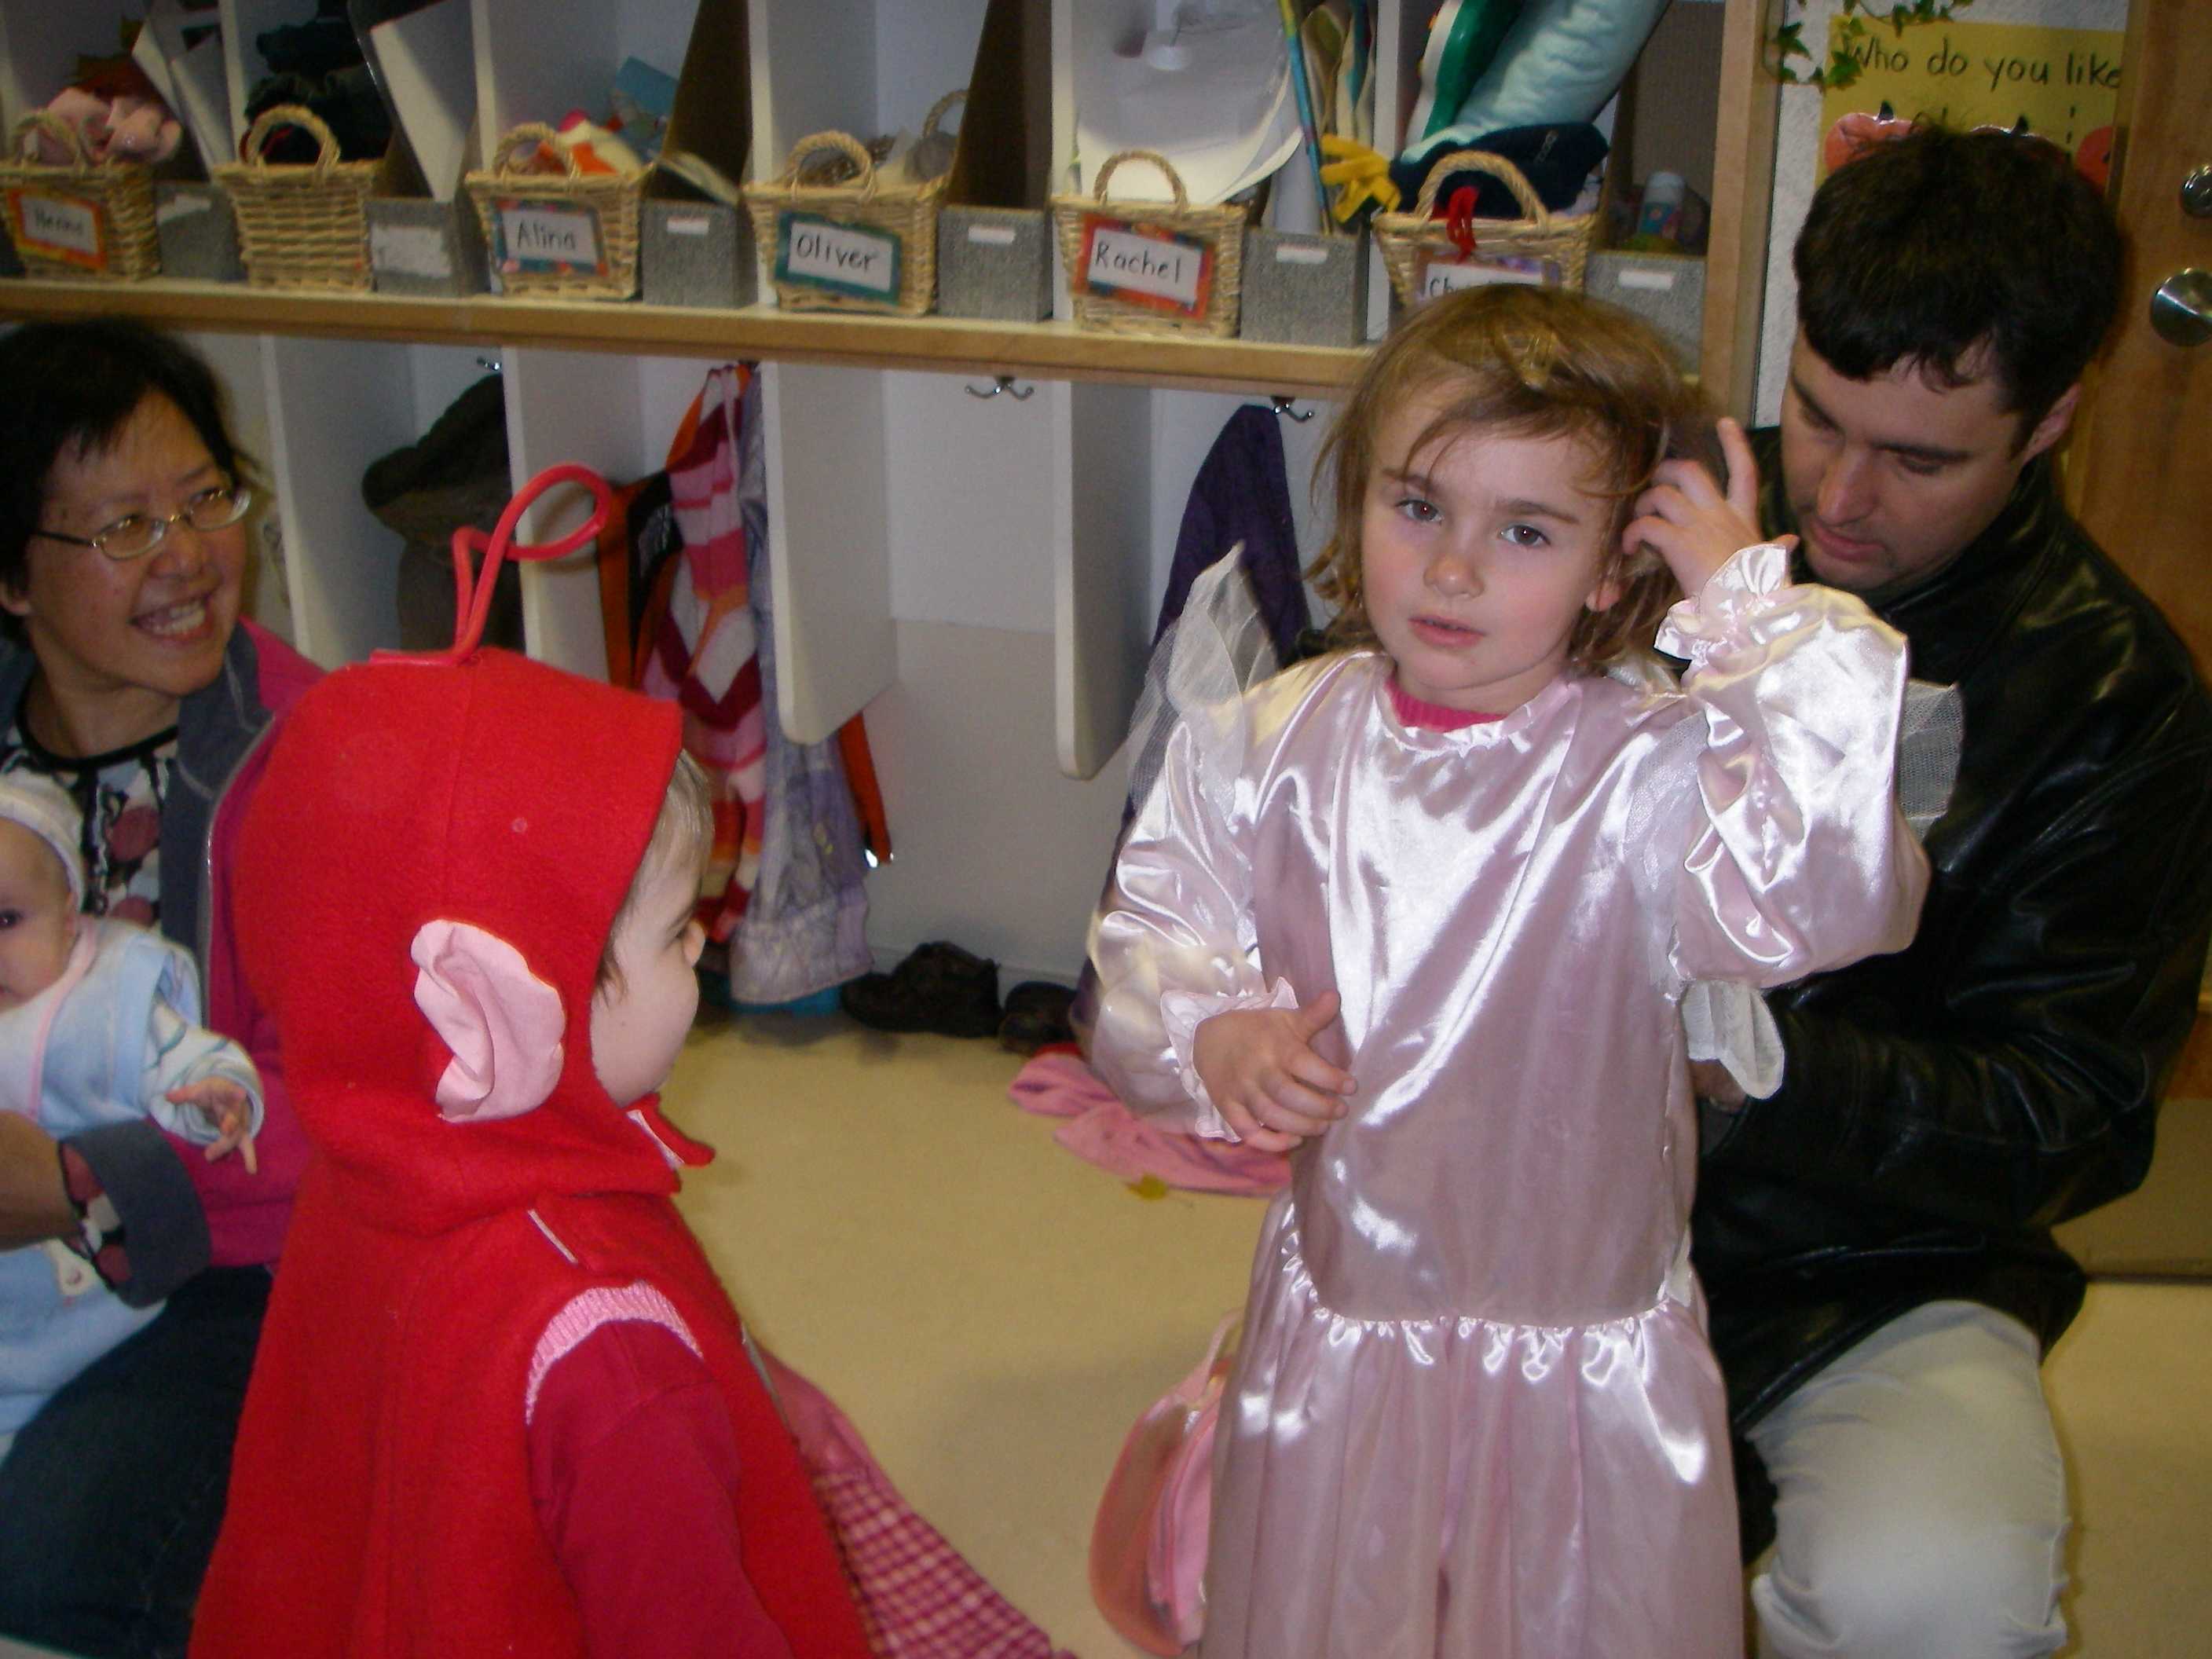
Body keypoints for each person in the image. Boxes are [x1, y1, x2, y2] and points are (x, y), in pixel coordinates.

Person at [1084, 284, 1931, 1658]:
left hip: (1581, 1343)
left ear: (1612, 568)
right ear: (1359, 500)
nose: (1453, 569)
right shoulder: (1274, 741)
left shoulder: (1652, 770)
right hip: (1354, 1316)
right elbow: (1152, 924)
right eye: (1418, 506)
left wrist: (1750, 618)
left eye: (1525, 531)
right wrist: (1216, 1028)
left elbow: (1830, 896)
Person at [1679, 123, 2212, 1658]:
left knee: (1934, 1606)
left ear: (2049, 423)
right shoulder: (1660, 522)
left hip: (1880, 1267)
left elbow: (2069, 1119)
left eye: (1920, 460)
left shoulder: (2117, 701)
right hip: (1557, 1211)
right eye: (1814, 413)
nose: (1839, 495)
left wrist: (1751, 1071)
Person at [189, 646, 873, 1658]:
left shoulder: (361, 1171)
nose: (702, 949)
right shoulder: (608, 1352)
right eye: (675, 932)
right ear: (504, 1008)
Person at [0, 317, 317, 1657]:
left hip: (240, 1267)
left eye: (204, 500)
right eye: (124, 526)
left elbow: (362, 1102)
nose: (186, 554)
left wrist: (82, 1182)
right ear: (12, 577)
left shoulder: (312, 757)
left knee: (56, 1563)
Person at [1, 774, 261, 1462]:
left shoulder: (106, 1001)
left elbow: (184, 1061)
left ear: (69, 917)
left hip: (94, 1325)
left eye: (7, 921)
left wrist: (218, 1098)